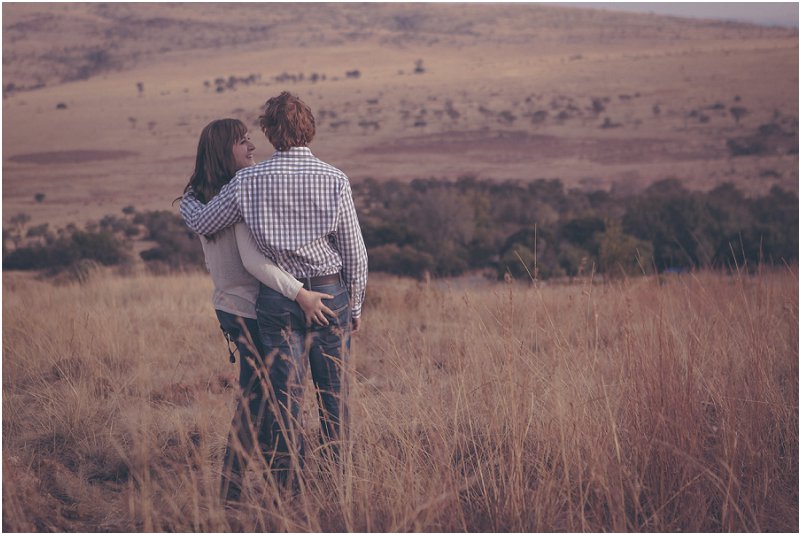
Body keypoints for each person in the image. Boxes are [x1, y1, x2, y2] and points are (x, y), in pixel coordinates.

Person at [180, 92, 368, 489]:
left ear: (268, 132)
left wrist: (187, 204)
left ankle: (289, 495)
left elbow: (206, 221)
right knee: (334, 400)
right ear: (309, 128)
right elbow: (355, 253)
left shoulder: (248, 181)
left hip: (278, 301)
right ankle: (339, 490)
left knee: (284, 403)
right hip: (330, 293)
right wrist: (354, 307)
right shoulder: (335, 178)